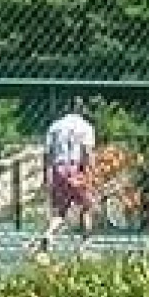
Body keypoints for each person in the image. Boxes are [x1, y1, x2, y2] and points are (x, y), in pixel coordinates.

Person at [39, 97, 96, 251]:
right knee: (86, 207)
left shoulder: (55, 126)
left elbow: (48, 154)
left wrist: (46, 175)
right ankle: (85, 245)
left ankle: (49, 234)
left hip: (59, 168)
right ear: (80, 109)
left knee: (61, 210)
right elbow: (87, 152)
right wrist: (91, 172)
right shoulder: (85, 127)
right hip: (76, 168)